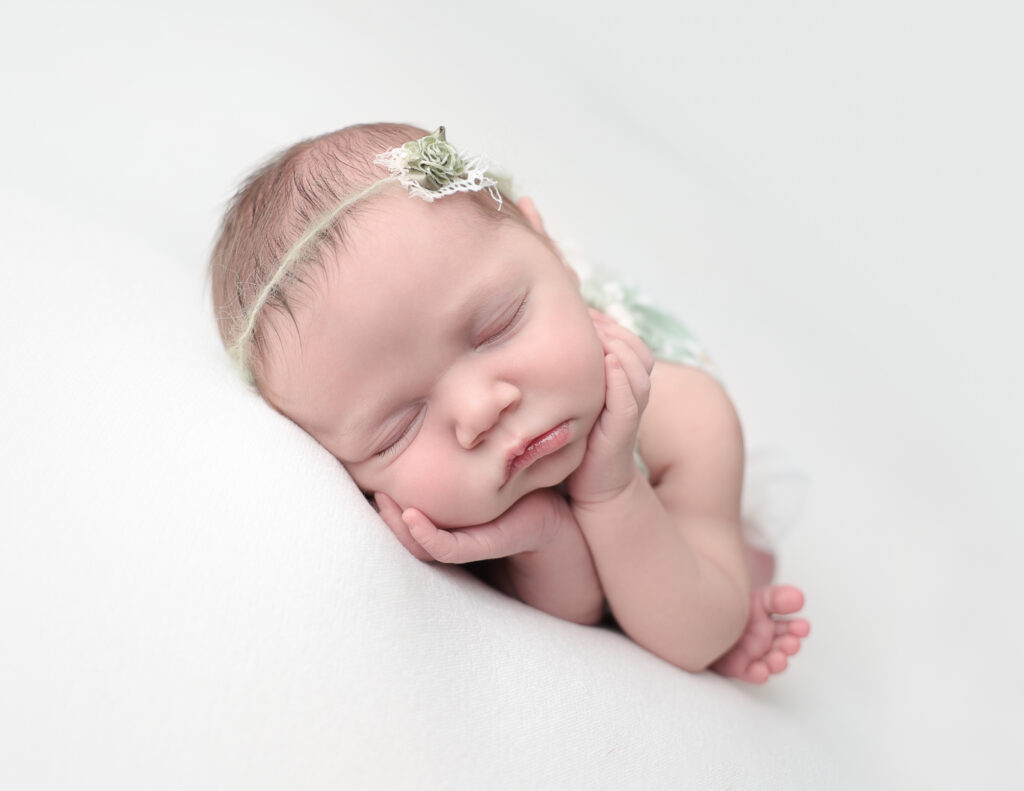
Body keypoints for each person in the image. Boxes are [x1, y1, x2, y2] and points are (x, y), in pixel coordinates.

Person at [209, 123, 809, 682]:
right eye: (399, 425)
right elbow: (579, 612)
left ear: (552, 252)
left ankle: (722, 553)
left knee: (716, 591)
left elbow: (698, 638)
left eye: (497, 327)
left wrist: (613, 487)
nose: (480, 411)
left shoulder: (686, 416)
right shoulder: (441, 495)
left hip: (659, 468)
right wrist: (544, 537)